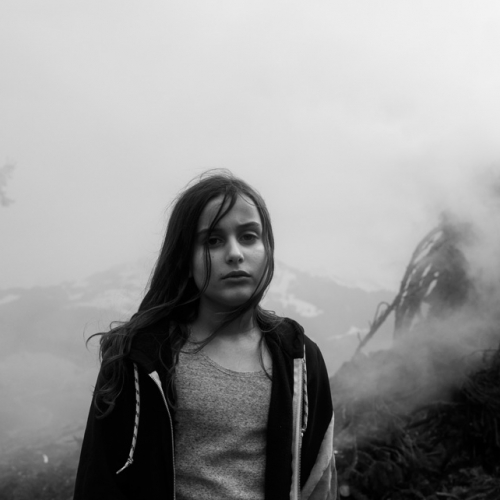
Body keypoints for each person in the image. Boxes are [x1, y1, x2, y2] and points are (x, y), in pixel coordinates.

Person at [74, 170, 337, 500]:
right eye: (212, 240)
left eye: (248, 236)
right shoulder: (140, 359)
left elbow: (319, 480)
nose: (234, 253)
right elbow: (100, 479)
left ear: (267, 247)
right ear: (185, 257)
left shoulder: (299, 357)